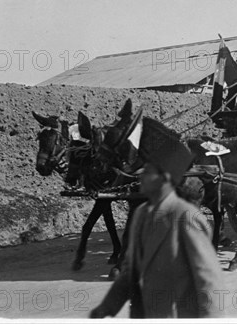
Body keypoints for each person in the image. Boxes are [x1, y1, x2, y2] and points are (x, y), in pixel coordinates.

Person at [90, 119, 223, 319]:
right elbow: (131, 272)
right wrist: (107, 307)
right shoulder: (142, 214)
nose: (141, 178)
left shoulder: (187, 217)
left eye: (149, 173)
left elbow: (207, 278)